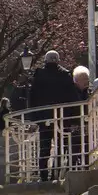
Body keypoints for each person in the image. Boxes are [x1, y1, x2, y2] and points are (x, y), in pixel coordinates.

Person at [27, 50, 72, 180]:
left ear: (45, 60)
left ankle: (44, 175)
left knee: (44, 147)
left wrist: (34, 118)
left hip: (44, 118)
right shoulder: (65, 75)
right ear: (58, 60)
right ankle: (56, 174)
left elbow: (32, 97)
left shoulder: (39, 75)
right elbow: (71, 97)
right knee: (60, 147)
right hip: (61, 118)